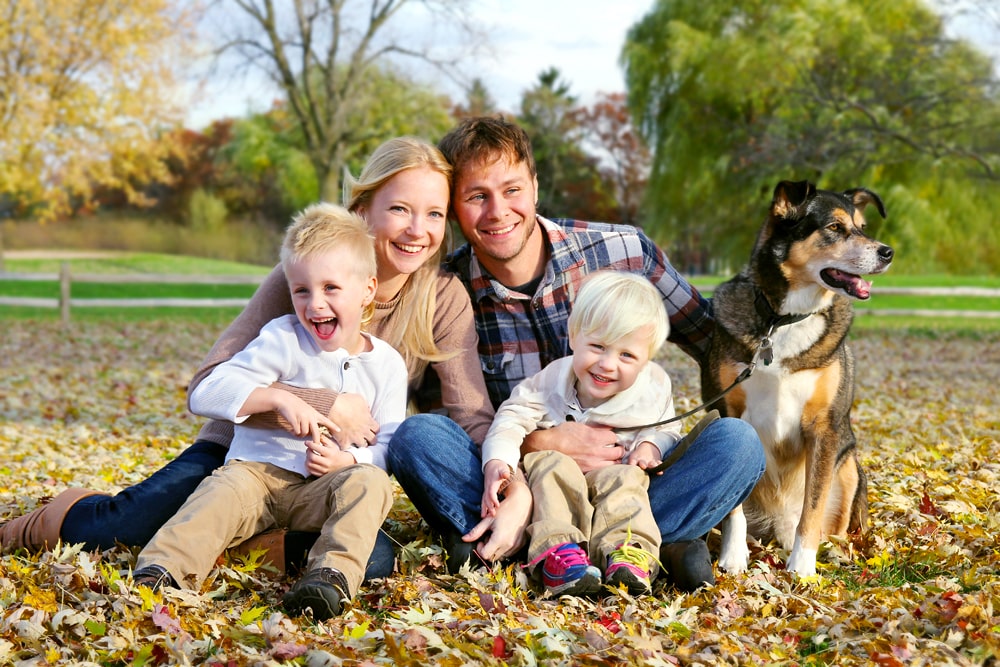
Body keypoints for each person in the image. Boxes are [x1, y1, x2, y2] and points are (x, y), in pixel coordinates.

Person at [0, 137, 496, 582]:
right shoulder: (300, 278)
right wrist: (326, 403)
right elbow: (210, 380)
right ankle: (56, 517)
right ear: (363, 209)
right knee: (125, 527)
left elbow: (467, 412)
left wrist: (503, 473)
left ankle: (237, 544)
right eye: (400, 209)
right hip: (241, 454)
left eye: (434, 214)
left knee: (375, 561)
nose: (418, 230)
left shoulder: (441, 296)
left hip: (329, 475)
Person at [388, 116, 767, 591]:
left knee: (738, 444)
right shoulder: (443, 292)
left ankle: (558, 548)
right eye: (476, 196)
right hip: (518, 488)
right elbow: (440, 417)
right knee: (418, 437)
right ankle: (644, 546)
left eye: (511, 190)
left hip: (633, 484)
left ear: (535, 186)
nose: (497, 211)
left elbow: (717, 340)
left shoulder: (624, 252)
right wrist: (538, 445)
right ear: (455, 209)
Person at [132, 204, 407, 621]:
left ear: (368, 289)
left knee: (370, 485)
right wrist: (278, 398)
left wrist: (348, 460)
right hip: (256, 477)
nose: (315, 304)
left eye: (331, 288)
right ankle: (163, 570)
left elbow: (390, 445)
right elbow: (207, 392)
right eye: (302, 290)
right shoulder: (282, 338)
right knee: (218, 494)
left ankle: (328, 578)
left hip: (323, 488)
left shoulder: (386, 364)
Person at [481, 271, 681, 596]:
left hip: (614, 477)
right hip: (558, 485)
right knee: (549, 464)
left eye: (627, 355)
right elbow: (510, 418)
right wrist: (498, 462)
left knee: (627, 481)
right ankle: (558, 554)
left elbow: (667, 427)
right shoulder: (549, 382)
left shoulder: (653, 387)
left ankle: (628, 554)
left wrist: (650, 445)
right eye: (598, 346)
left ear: (646, 359)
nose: (607, 364)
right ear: (574, 337)